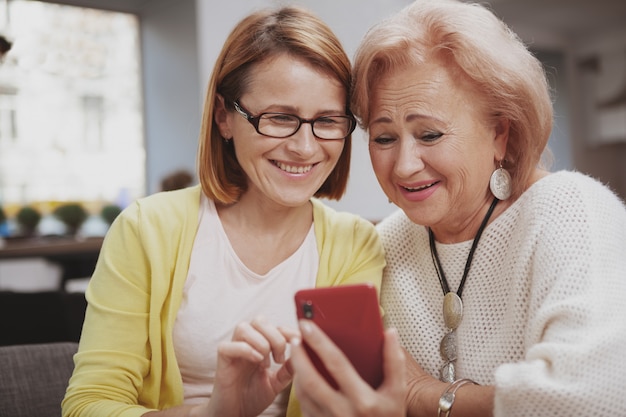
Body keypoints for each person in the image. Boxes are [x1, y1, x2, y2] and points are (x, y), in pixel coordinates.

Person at [290, 0, 626, 416]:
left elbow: (595, 398)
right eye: (384, 138)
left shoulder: (569, 210)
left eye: (429, 134)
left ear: (500, 133)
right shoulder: (382, 244)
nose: (404, 165)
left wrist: (424, 397)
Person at [62, 6, 385, 417]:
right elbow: (86, 406)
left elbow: (351, 403)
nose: (305, 147)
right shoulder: (148, 229)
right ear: (223, 117)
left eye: (327, 120)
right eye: (280, 118)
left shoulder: (355, 244)